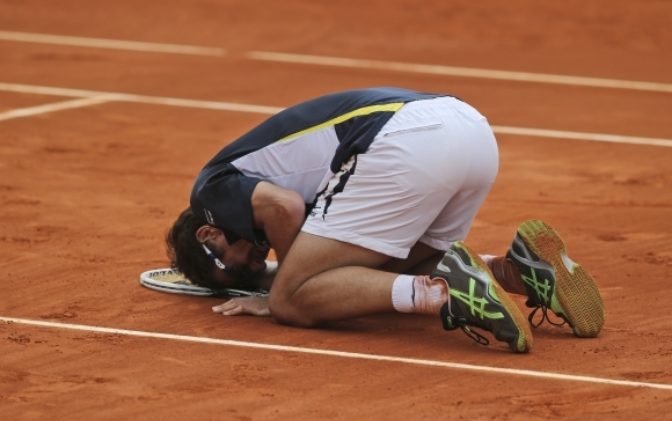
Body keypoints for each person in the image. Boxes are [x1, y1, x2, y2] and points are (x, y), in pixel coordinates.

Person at [166, 87, 604, 354]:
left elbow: (285, 209)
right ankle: (514, 270)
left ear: (209, 233)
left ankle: (447, 293)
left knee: (293, 301)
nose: (256, 261)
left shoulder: (210, 191)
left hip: (405, 142)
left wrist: (282, 289)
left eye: (236, 263)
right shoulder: (243, 177)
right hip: (471, 131)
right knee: (374, 274)